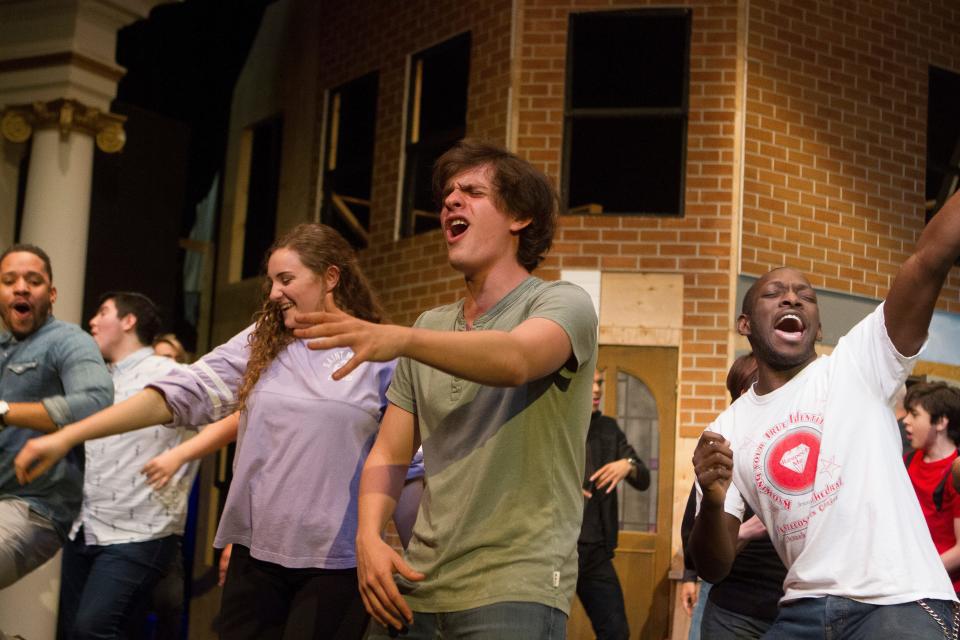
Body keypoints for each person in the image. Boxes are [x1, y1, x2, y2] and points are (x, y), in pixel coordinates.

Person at [15, 224, 394, 640]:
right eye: (271, 281)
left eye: (286, 280)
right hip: (256, 560)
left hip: (333, 566)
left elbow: (403, 462)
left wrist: (394, 549)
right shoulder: (262, 343)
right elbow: (178, 393)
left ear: (331, 278)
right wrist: (67, 435)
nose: (272, 294)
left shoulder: (379, 356)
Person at [294, 139, 598, 638]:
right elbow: (389, 453)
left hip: (514, 584)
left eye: (472, 191)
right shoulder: (432, 325)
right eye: (447, 194)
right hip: (418, 583)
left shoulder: (562, 303)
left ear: (519, 216)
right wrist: (369, 536)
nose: (451, 201)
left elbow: (517, 360)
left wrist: (401, 339)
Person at [690, 188, 960, 639]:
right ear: (745, 324)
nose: (792, 299)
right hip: (801, 613)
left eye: (805, 296)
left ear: (817, 325)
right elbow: (714, 567)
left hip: (897, 601)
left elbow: (928, 260)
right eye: (774, 293)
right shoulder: (726, 429)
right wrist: (713, 499)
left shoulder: (859, 364)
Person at [58, 291, 196, 639]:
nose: (92, 321)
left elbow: (228, 419)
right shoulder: (99, 378)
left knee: (92, 628)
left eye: (102, 312)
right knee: (84, 630)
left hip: (141, 530)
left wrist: (179, 455)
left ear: (128, 321)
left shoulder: (170, 373)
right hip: (87, 525)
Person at [0, 244, 112, 588]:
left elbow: (97, 401)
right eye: (9, 280)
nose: (21, 287)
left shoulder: (68, 341)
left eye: (33, 281)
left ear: (51, 294)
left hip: (36, 507)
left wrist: (4, 412)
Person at [679, 353, 786, 639]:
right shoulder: (723, 454)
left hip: (790, 606)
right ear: (746, 393)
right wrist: (745, 531)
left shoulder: (790, 446)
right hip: (734, 603)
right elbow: (694, 537)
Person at [576, 368, 649, 640]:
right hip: (557, 547)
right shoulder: (559, 422)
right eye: (591, 383)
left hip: (595, 551)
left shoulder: (608, 427)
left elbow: (643, 478)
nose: (597, 389)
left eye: (600, 383)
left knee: (616, 632)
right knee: (544, 628)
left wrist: (626, 465)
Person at [903, 381, 960, 594]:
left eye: (915, 415)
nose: (906, 421)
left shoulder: (956, 473)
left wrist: (915, 573)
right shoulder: (907, 461)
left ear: (941, 422)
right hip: (907, 583)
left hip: (942, 590)